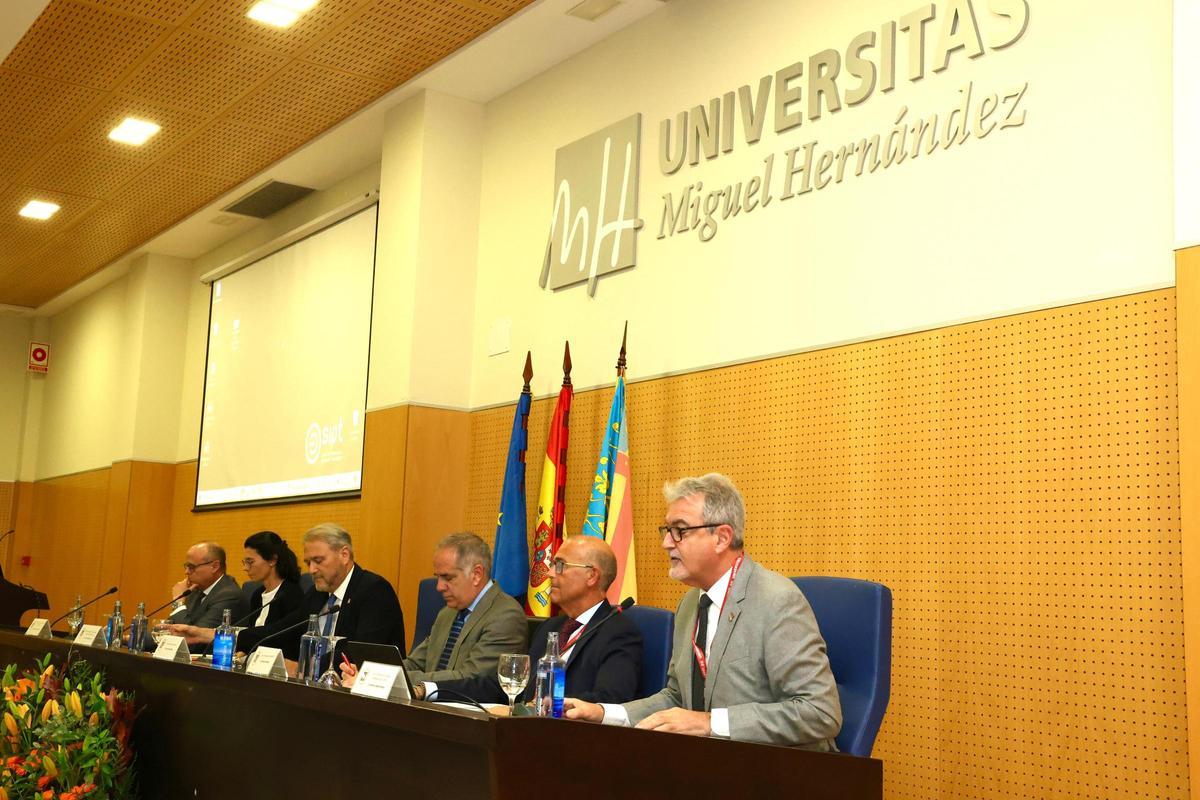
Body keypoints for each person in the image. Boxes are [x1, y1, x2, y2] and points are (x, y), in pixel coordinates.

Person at [564, 474, 842, 749]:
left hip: (783, 772)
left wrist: (708, 723)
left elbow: (819, 712)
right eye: (667, 530)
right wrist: (602, 713)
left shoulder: (777, 601)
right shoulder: (690, 604)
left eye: (680, 531)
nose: (666, 543)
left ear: (722, 537)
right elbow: (676, 697)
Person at [416, 536, 642, 704]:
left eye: (560, 565)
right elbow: (506, 686)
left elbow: (609, 700)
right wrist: (430, 689)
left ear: (592, 576)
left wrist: (547, 707)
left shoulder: (618, 632)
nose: (550, 573)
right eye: (552, 564)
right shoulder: (551, 627)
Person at [343, 532, 526, 687]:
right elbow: (416, 662)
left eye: (448, 578)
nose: (439, 587)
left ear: (476, 575)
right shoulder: (447, 613)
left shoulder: (505, 615)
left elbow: (470, 677)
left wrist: (389, 678)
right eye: (438, 577)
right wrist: (369, 670)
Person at [276, 523, 406, 660]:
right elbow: (283, 630)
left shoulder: (375, 591)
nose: (312, 570)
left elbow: (361, 652)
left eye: (318, 561)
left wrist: (308, 668)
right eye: (308, 563)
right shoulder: (316, 594)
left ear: (344, 555)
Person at [168, 531, 305, 652]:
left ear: (272, 560)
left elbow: (277, 638)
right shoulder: (257, 595)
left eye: (250, 562)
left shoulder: (291, 594)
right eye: (244, 562)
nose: (245, 568)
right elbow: (250, 636)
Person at [167, 542, 248, 653]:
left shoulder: (229, 595)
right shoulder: (196, 589)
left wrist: (178, 602)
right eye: (186, 566)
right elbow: (171, 629)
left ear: (215, 566)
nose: (186, 572)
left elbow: (192, 641)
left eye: (191, 567)